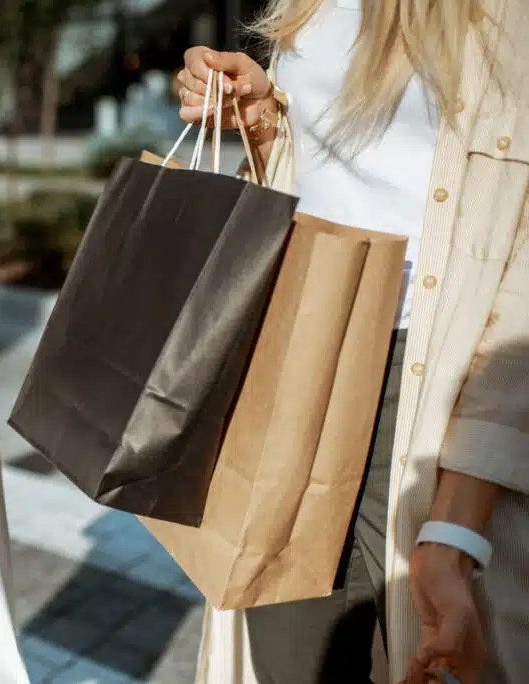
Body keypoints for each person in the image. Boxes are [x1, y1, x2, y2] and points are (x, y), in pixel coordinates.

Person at [176, 0, 528, 683]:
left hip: (429, 396)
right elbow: (349, 171)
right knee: (291, 664)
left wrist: (456, 532)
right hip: (293, 360)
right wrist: (268, 120)